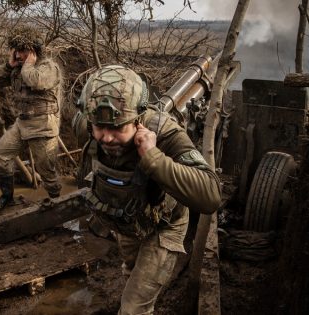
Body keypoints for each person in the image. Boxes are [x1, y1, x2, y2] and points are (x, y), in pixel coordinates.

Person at [74, 65, 222, 314]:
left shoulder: (166, 133)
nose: (106, 137)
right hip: (128, 220)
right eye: (99, 127)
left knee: (133, 309)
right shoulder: (86, 124)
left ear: (138, 119)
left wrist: (154, 158)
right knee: (131, 271)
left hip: (164, 225)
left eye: (117, 128)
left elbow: (210, 194)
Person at [0, 26, 62, 211]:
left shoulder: (48, 67)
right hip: (22, 123)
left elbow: (36, 81)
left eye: (22, 51)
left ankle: (58, 202)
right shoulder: (18, 68)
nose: (19, 55)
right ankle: (7, 197)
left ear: (33, 50)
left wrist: (28, 64)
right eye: (16, 51)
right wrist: (9, 65)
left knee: (47, 171)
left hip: (43, 125)